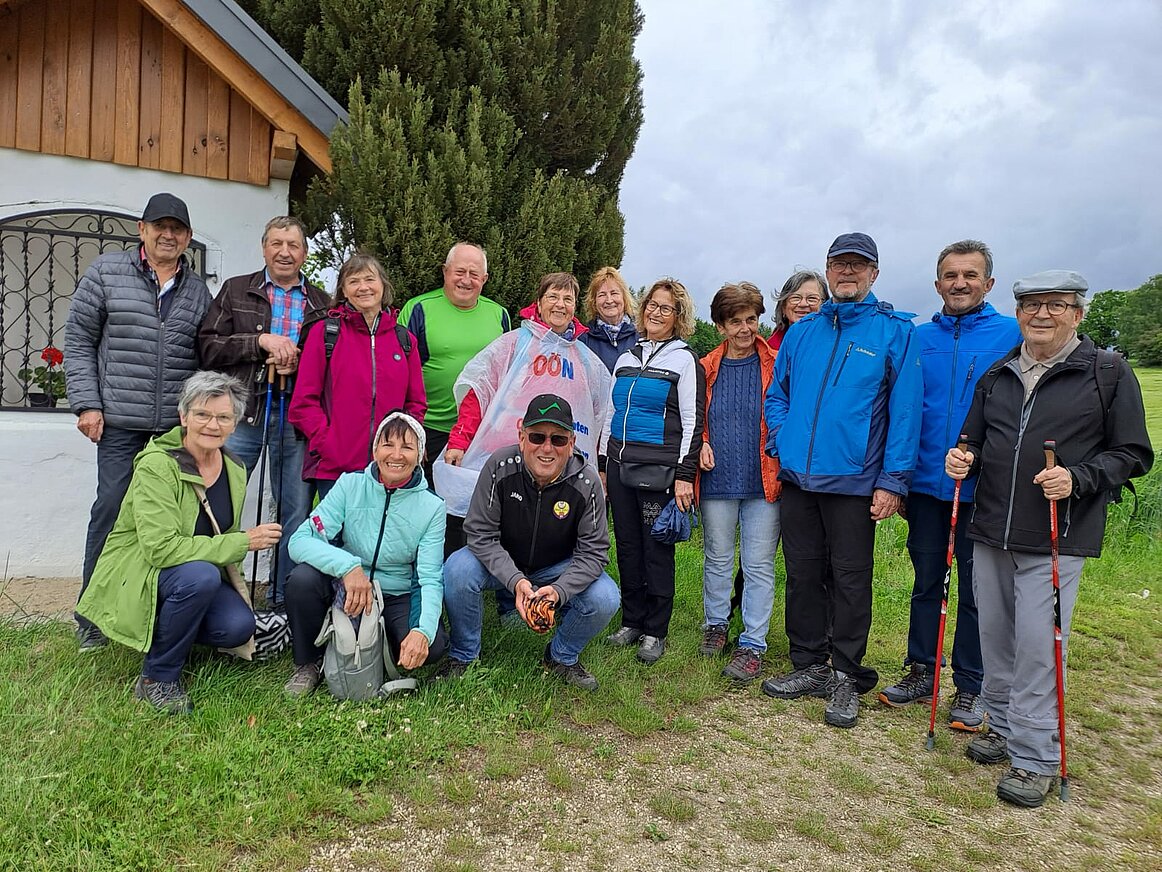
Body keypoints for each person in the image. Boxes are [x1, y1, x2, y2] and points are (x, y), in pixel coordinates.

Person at [946, 269, 1152, 807]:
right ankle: (1004, 727)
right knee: (995, 638)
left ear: (1077, 314)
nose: (1042, 314)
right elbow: (974, 440)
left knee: (1039, 647)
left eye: (1056, 305)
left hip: (1058, 535)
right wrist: (962, 458)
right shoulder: (999, 373)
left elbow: (1133, 453)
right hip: (991, 529)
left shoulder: (1106, 372)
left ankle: (1036, 757)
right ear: (1018, 314)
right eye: (1032, 305)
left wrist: (1077, 478)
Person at [761, 232, 922, 729]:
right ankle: (809, 663)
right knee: (802, 575)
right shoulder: (803, 332)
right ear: (828, 270)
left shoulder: (894, 332)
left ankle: (847, 674)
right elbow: (778, 395)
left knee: (851, 580)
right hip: (798, 480)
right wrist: (782, 440)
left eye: (858, 265)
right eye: (839, 264)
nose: (847, 272)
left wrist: (893, 481)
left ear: (874, 273)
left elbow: (906, 413)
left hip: (854, 481)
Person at [877, 240, 1021, 732]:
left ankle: (972, 685)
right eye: (951, 275)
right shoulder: (917, 338)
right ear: (937, 283)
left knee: (978, 590)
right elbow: (899, 409)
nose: (960, 283)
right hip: (925, 484)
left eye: (970, 275)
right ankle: (922, 669)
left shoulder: (1011, 334)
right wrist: (898, 477)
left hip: (984, 488)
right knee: (927, 581)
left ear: (989, 283)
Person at [75, 372, 282, 714]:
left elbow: (223, 535)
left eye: (223, 417)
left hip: (189, 576)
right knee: (200, 576)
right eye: (202, 414)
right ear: (184, 417)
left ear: (234, 424)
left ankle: (172, 629)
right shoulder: (157, 465)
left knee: (237, 626)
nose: (212, 425)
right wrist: (243, 542)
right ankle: (158, 677)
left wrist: (236, 569)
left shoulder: (234, 467)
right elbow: (161, 549)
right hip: (141, 570)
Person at [65, 192, 212, 652]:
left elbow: (205, 355)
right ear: (142, 230)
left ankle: (156, 610)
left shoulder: (197, 290)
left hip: (172, 432)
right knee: (111, 511)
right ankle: (92, 616)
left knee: (172, 521)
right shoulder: (107, 273)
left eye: (177, 229)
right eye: (160, 226)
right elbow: (78, 340)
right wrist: (87, 404)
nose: (168, 235)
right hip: (119, 424)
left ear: (187, 237)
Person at [441, 394, 619, 690]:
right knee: (457, 568)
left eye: (558, 439)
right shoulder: (499, 464)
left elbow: (594, 553)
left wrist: (559, 591)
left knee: (606, 596)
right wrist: (516, 581)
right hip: (504, 562)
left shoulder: (587, 481)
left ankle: (561, 656)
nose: (547, 448)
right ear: (521, 437)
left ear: (572, 443)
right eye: (537, 437)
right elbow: (479, 532)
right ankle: (464, 655)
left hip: (556, 568)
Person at [198, 216, 330, 606]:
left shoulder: (323, 303)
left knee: (295, 508)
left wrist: (301, 361)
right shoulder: (236, 289)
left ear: (304, 253)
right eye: (277, 243)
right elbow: (208, 347)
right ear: (264, 247)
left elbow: (331, 361)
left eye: (293, 245)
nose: (284, 252)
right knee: (219, 501)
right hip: (243, 414)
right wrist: (259, 342)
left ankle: (283, 599)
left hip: (297, 418)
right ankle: (215, 593)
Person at [436, 272, 612, 556]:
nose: (560, 304)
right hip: (506, 458)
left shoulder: (585, 359)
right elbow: (479, 393)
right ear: (539, 303)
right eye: (553, 296)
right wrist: (459, 440)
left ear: (574, 307)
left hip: (556, 460)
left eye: (567, 299)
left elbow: (599, 416)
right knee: (493, 526)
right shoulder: (513, 344)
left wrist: (598, 465)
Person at [283, 411, 448, 695]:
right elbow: (299, 540)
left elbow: (430, 578)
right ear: (374, 450)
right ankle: (309, 662)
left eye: (407, 447)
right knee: (302, 580)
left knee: (432, 647)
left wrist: (422, 631)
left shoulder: (432, 507)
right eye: (388, 445)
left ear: (421, 455)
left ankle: (370, 645)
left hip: (394, 592)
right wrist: (348, 567)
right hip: (345, 583)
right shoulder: (350, 485)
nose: (396, 455)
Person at [602, 278, 705, 664]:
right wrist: (603, 464)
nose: (656, 313)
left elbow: (693, 422)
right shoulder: (627, 358)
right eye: (652, 305)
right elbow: (611, 414)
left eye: (666, 308)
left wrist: (685, 475)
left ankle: (655, 630)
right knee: (627, 547)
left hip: (660, 470)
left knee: (656, 549)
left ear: (678, 316)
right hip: (619, 467)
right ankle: (632, 620)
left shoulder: (684, 359)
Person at [288, 253, 425, 500]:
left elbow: (415, 404)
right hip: (335, 469)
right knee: (335, 527)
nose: (363, 287)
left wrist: (402, 446)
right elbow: (303, 403)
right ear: (344, 290)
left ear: (383, 285)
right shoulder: (325, 334)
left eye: (370, 279)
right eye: (353, 281)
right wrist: (328, 443)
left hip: (389, 468)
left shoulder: (404, 340)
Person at [697, 282, 780, 682]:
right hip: (717, 479)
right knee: (717, 556)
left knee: (758, 563)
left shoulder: (776, 363)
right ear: (720, 326)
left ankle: (752, 643)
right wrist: (702, 442)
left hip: (764, 480)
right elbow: (693, 417)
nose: (745, 329)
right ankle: (716, 624)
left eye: (751, 319)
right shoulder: (704, 368)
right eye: (735, 322)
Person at [398, 243, 511, 488]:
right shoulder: (418, 309)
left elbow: (505, 378)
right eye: (459, 272)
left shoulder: (499, 315)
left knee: (471, 505)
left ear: (485, 279)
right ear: (445, 271)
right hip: (428, 428)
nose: (466, 280)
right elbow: (398, 375)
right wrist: (410, 429)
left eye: (474, 274)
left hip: (479, 433)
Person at [578, 266, 639, 371]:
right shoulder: (583, 340)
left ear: (624, 298)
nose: (609, 300)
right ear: (594, 302)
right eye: (602, 295)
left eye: (614, 293)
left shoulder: (641, 337)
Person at [769, 269, 829, 351]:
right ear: (783, 307)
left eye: (812, 298)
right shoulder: (766, 352)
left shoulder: (837, 345)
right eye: (795, 298)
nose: (803, 304)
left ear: (825, 305)